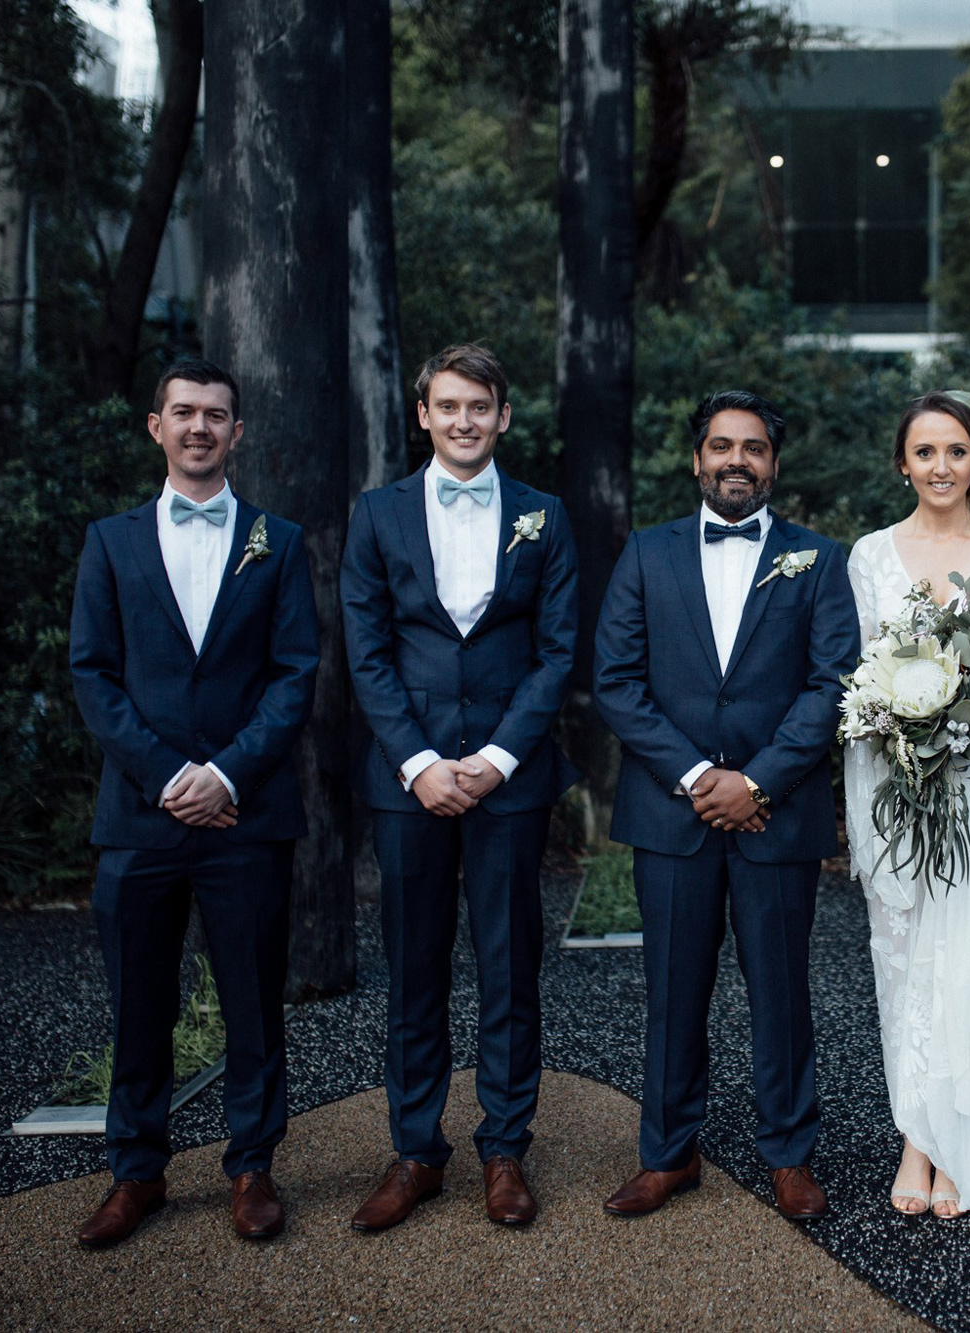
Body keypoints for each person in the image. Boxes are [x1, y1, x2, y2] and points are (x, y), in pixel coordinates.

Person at [68, 359, 319, 1247]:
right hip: (141, 816)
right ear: (157, 426)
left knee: (253, 998)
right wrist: (169, 775)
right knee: (140, 1002)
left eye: (216, 415)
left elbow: (294, 675)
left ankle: (253, 1166)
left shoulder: (278, 541)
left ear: (237, 432)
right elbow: (93, 673)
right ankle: (136, 1172)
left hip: (246, 815)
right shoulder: (111, 541)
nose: (200, 427)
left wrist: (226, 776)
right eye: (184, 412)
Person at [593, 390, 858, 1221]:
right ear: (696, 459)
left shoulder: (818, 558)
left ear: (774, 464)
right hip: (672, 815)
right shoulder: (647, 552)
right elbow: (617, 681)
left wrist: (758, 782)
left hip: (778, 812)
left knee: (781, 990)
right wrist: (699, 776)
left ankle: (789, 1154)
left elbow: (831, 683)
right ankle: (668, 1153)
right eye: (721, 445)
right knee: (673, 989)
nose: (736, 460)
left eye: (753, 447)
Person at [340, 344, 579, 1230]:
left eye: (480, 406)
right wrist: (419, 762)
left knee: (510, 966)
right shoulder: (377, 513)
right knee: (414, 967)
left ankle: (505, 1148)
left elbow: (557, 650)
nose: (464, 420)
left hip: (509, 780)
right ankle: (415, 1151)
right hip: (409, 782)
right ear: (424, 415)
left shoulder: (545, 515)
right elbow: (367, 650)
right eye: (448, 405)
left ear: (503, 416)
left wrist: (500, 757)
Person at [843, 390, 970, 1217]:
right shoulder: (871, 556)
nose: (941, 466)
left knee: (966, 965)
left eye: (956, 451)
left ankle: (958, 1143)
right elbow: (862, 672)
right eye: (925, 451)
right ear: (903, 463)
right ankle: (913, 1141)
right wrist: (903, 723)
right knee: (901, 960)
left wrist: (960, 719)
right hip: (893, 781)